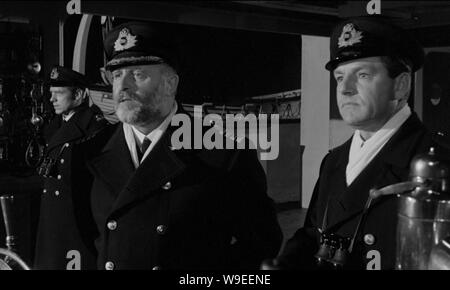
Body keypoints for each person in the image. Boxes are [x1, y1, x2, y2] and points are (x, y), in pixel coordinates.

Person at [75, 22, 282, 270]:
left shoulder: (222, 154)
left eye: (138, 74)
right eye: (117, 75)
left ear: (170, 84)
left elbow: (262, 243)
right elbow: (85, 243)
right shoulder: (91, 152)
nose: (123, 86)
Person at [274, 16, 450, 270]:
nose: (345, 89)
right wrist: (284, 263)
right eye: (339, 77)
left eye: (363, 75)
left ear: (400, 86)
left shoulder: (439, 168)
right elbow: (315, 233)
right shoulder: (333, 161)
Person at [34, 66, 109, 270]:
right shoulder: (53, 128)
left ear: (79, 95)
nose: (52, 100)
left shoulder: (95, 129)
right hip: (52, 223)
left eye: (59, 94)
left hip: (76, 228)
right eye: (51, 94)